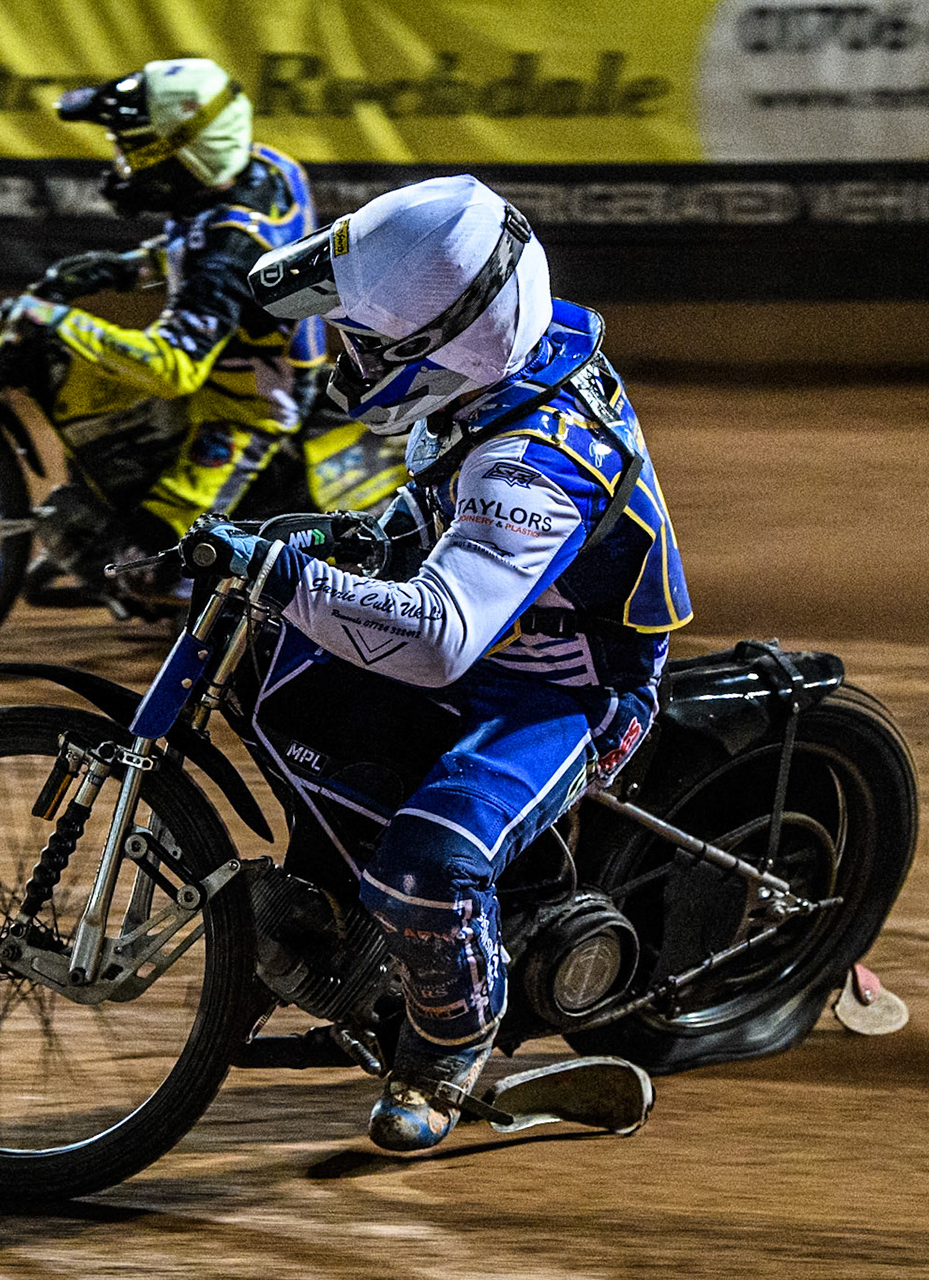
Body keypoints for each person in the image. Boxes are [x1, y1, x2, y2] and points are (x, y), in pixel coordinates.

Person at [207, 175, 693, 1151]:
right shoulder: (495, 358)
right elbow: (429, 503)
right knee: (271, 668)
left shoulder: (536, 465)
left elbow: (434, 640)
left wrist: (281, 566)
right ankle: (348, 917)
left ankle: (450, 1044)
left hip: (569, 682)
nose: (344, 360)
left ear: (446, 341)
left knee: (429, 864)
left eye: (363, 341)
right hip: (486, 621)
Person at [10, 57, 325, 604]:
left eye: (133, 148)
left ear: (189, 155)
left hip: (247, 407)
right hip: (244, 368)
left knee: (146, 564)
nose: (122, 163)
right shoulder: (264, 171)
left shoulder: (232, 249)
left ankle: (203, 586)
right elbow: (198, 243)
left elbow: (172, 366)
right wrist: (127, 267)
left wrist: (61, 321)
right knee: (100, 439)